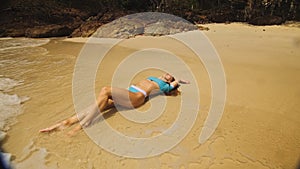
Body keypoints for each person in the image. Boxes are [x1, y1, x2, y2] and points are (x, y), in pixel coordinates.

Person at [39, 73, 190, 135]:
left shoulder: (165, 86)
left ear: (170, 80)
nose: (166, 75)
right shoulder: (152, 77)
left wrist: (179, 82)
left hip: (136, 97)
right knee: (98, 105)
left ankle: (82, 125)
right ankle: (66, 122)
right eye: (166, 74)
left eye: (169, 76)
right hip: (127, 94)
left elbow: (176, 84)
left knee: (105, 90)